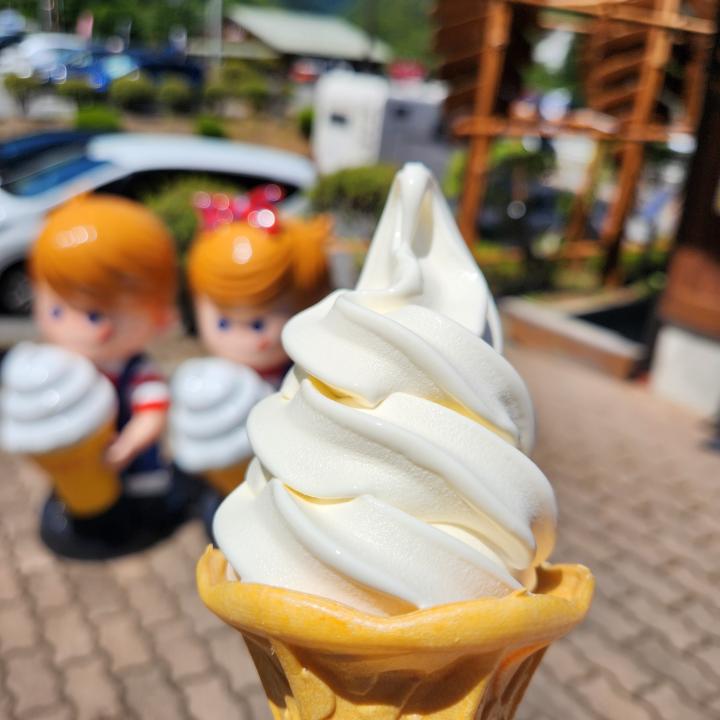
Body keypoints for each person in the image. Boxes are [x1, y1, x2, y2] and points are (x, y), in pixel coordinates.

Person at [29, 194, 187, 557]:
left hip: (128, 462)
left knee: (136, 503)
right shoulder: (63, 364)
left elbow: (152, 414)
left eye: (94, 315)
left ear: (160, 313)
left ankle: (133, 524)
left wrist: (126, 446)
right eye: (57, 310)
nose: (73, 327)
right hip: (80, 460)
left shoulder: (137, 373)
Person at [188, 185, 332, 387]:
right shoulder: (212, 375)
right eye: (223, 323)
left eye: (257, 325)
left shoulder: (306, 378)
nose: (238, 340)